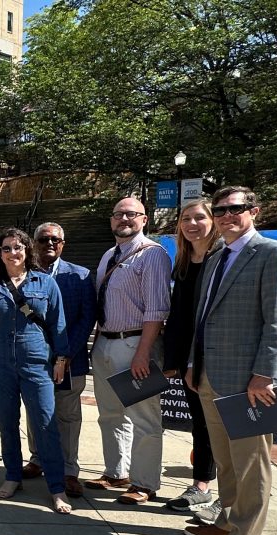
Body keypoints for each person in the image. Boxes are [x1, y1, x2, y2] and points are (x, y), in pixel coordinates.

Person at [182, 186, 277, 535]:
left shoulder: (273, 253)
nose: (227, 216)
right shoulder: (219, 257)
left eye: (236, 209)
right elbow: (203, 319)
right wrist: (191, 364)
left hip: (250, 382)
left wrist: (264, 375)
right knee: (227, 460)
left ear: (255, 211)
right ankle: (228, 521)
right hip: (210, 376)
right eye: (220, 210)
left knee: (251, 464)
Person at [0, 228, 72, 514]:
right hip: (0, 366)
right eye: (6, 248)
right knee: (7, 423)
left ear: (27, 251)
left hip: (37, 364)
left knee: (45, 424)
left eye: (18, 247)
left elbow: (58, 323)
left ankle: (56, 487)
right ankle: (13, 475)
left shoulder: (46, 284)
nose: (12, 253)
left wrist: (61, 359)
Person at [83, 197, 171, 505]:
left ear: (144, 220)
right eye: (119, 214)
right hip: (106, 341)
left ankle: (144, 483)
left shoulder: (153, 255)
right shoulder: (109, 255)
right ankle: (116, 472)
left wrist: (143, 353)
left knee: (144, 419)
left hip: (136, 344)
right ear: (111, 220)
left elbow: (157, 310)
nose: (124, 219)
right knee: (110, 414)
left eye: (132, 214)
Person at [20, 223, 97, 498]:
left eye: (55, 239)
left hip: (71, 361)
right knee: (35, 411)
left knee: (67, 416)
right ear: (35, 243)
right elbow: (23, 310)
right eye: (43, 239)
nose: (49, 243)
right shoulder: (24, 275)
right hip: (36, 360)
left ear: (63, 244)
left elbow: (86, 319)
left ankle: (68, 470)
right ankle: (38, 459)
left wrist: (64, 354)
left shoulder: (80, 276)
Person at [162, 200, 222, 511]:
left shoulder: (224, 259)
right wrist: (175, 361)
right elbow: (179, 316)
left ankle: (232, 494)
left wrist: (193, 362)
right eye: (186, 218)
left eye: (200, 217)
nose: (192, 224)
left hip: (216, 360)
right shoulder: (183, 262)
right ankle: (201, 486)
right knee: (201, 423)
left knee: (227, 428)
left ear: (214, 221)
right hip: (188, 360)